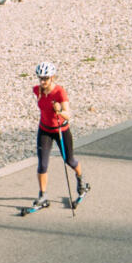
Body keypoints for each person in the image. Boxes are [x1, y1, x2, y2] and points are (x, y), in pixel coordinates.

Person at [26, 61, 88, 211]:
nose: (42, 81)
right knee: (42, 164)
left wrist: (59, 110)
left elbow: (68, 115)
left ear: (53, 77)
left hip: (61, 129)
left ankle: (81, 182)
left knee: (69, 160)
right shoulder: (37, 90)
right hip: (45, 130)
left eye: (46, 78)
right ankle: (43, 196)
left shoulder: (59, 92)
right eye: (40, 78)